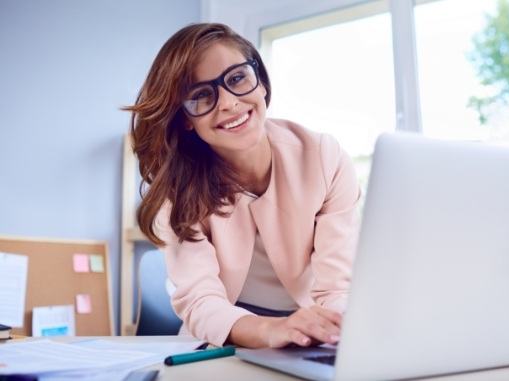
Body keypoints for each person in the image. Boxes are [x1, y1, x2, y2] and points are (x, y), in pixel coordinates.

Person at [125, 23, 361, 348]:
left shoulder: (324, 157)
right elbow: (201, 302)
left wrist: (337, 333)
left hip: (308, 338)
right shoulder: (178, 189)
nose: (228, 102)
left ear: (261, 81)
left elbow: (337, 289)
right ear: (186, 121)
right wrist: (270, 330)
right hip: (219, 346)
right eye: (201, 96)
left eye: (237, 78)